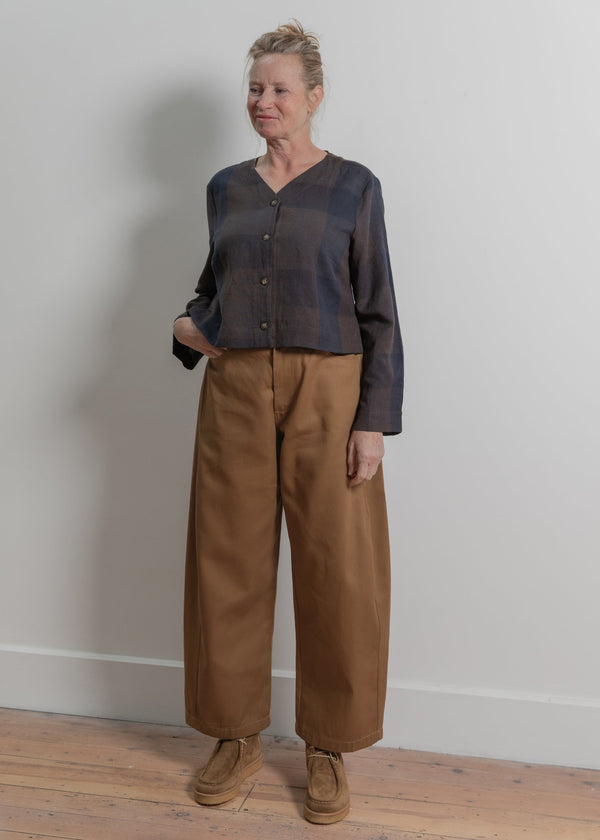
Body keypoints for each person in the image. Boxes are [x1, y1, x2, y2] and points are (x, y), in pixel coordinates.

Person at [172, 20, 403, 825]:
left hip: (331, 391)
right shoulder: (225, 188)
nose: (263, 101)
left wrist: (372, 421)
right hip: (235, 389)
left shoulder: (353, 187)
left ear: (313, 97)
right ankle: (234, 737)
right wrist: (189, 328)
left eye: (278, 89)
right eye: (255, 88)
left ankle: (328, 746)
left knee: (340, 569)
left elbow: (378, 312)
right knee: (226, 560)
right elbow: (215, 286)